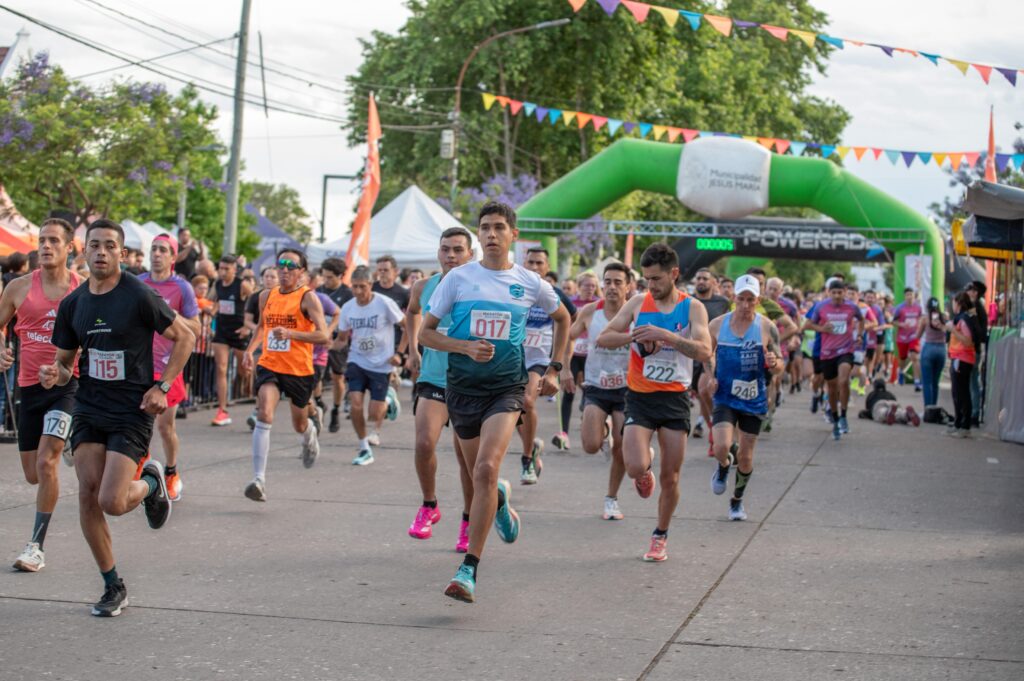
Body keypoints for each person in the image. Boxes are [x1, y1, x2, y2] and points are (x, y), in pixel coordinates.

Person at [418, 201, 570, 603]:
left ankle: (468, 569)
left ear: (513, 235)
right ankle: (499, 499)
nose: (490, 234)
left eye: (499, 227)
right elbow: (425, 334)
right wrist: (464, 347)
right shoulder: (458, 279)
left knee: (486, 468)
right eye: (484, 227)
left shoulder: (529, 282)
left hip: (507, 390)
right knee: (475, 477)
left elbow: (563, 318)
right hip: (462, 390)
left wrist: (554, 368)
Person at [47, 218, 195, 617]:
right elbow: (64, 364)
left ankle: (151, 482)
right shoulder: (74, 304)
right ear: (84, 251)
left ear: (121, 253)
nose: (100, 252)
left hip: (133, 409)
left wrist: (162, 387)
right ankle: (113, 585)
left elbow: (186, 337)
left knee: (112, 501)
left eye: (109, 246)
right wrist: (54, 374)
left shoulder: (138, 294)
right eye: (94, 245)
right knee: (87, 494)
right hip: (90, 407)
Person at [597, 243, 711, 562]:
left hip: (675, 398)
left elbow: (704, 351)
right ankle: (643, 465)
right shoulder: (637, 303)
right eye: (647, 279)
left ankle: (660, 535)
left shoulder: (692, 308)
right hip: (640, 396)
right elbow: (603, 337)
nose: (652, 286)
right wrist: (632, 336)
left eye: (657, 279)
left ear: (674, 274)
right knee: (634, 467)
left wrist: (668, 336)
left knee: (671, 477)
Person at [0, 218, 81, 572]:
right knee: (33, 473)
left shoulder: (82, 290)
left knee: (48, 461)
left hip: (68, 386)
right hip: (29, 387)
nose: (45, 247)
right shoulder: (18, 288)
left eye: (54, 241)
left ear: (68, 248)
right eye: (42, 241)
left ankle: (35, 546)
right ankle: (72, 437)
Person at [404, 227, 476, 549]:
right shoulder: (424, 286)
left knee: (467, 462)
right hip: (433, 379)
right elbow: (412, 312)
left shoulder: (481, 287)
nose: (450, 255)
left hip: (469, 382)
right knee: (423, 443)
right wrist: (411, 349)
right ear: (438, 253)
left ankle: (468, 520)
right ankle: (429, 505)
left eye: (457, 250)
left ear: (469, 255)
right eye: (445, 249)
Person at [241, 249, 329, 501]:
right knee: (264, 412)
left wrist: (292, 334)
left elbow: (323, 335)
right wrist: (250, 350)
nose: (285, 269)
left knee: (298, 423)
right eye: (281, 264)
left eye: (292, 265)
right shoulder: (266, 296)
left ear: (302, 271)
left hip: (299, 369)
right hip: (270, 364)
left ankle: (309, 432)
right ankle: (259, 479)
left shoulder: (308, 298)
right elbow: (262, 327)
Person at [706, 275, 782, 521]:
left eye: (751, 299)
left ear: (758, 299)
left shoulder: (767, 327)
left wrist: (774, 363)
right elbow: (708, 355)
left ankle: (736, 501)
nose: (746, 304)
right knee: (721, 447)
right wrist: (710, 375)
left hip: (754, 398)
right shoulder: (717, 325)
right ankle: (723, 466)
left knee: (747, 456)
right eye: (741, 299)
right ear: (734, 298)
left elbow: (780, 364)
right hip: (725, 395)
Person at [562, 262, 631, 520]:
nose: (611, 287)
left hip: (627, 388)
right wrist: (565, 368)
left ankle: (611, 498)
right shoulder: (591, 311)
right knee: (591, 445)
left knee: (622, 447)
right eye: (608, 281)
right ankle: (602, 430)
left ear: (628, 286)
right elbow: (568, 336)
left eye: (617, 282)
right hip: (596, 385)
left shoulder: (635, 312)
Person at [138, 235, 201, 502]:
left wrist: (168, 314)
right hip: (140, 364)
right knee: (138, 423)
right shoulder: (138, 283)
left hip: (169, 367)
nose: (157, 254)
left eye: (163, 250)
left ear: (173, 257)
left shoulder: (182, 288)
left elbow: (196, 328)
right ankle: (142, 465)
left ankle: (171, 472)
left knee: (165, 426)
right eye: (153, 249)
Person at [519, 247, 576, 483]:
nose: (534, 267)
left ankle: (526, 459)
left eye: (539, 263)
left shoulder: (554, 294)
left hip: (539, 359)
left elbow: (570, 324)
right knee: (514, 411)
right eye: (530, 262)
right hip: (512, 357)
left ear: (547, 267)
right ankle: (531, 444)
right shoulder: (515, 288)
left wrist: (561, 364)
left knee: (527, 401)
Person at [337, 266, 405, 465]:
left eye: (362, 287)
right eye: (354, 287)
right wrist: (326, 344)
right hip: (357, 360)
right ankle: (364, 447)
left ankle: (388, 400)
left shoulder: (385, 303)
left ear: (370, 285)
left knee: (374, 413)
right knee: (355, 404)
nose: (358, 292)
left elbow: (408, 325)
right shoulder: (348, 307)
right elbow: (342, 339)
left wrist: (400, 354)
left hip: (382, 364)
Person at [803, 279, 864, 440]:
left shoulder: (852, 307)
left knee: (844, 381)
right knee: (832, 387)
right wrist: (822, 328)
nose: (837, 296)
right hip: (827, 352)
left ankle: (843, 415)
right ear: (829, 292)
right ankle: (836, 418)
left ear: (845, 292)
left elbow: (861, 319)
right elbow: (808, 324)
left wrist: (859, 335)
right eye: (834, 292)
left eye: (840, 292)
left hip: (846, 350)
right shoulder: (821, 306)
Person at [553, 271, 601, 451]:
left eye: (593, 286)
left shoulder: (598, 304)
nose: (590, 289)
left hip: (592, 355)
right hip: (572, 354)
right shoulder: (571, 302)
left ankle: (596, 428)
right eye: (586, 285)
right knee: (569, 392)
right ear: (579, 286)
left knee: (591, 391)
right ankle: (563, 434)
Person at [210, 255, 253, 426]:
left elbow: (257, 304)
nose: (222, 272)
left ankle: (256, 397)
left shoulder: (242, 284)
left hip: (239, 332)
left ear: (235, 269)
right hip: (221, 331)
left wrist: (247, 327)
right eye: (220, 268)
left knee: (245, 371)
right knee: (221, 369)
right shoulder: (218, 284)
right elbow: (214, 301)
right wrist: (211, 312)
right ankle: (222, 410)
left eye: (226, 269)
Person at [691, 268, 730, 451]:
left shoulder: (723, 302)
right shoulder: (688, 301)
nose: (701, 281)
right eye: (698, 278)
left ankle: (718, 430)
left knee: (705, 389)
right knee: (699, 394)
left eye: (705, 278)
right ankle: (713, 426)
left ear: (714, 282)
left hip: (713, 353)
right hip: (691, 353)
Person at [317, 258, 353, 433]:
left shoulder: (348, 294)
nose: (326, 281)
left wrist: (338, 338)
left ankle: (336, 409)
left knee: (337, 376)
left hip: (339, 340)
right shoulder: (317, 292)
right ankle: (318, 402)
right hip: (319, 340)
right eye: (324, 277)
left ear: (340, 276)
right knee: (315, 375)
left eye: (330, 277)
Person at [946, 291, 980, 438]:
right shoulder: (962, 318)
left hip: (963, 359)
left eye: (953, 302)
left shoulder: (964, 319)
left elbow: (968, 341)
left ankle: (964, 426)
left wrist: (952, 329)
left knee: (962, 393)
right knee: (957, 393)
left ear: (958, 303)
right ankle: (958, 423)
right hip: (958, 358)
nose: (952, 305)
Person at [916, 297, 947, 415]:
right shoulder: (944, 317)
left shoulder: (925, 319)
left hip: (928, 349)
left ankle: (927, 410)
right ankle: (934, 409)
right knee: (935, 382)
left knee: (927, 382)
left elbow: (917, 336)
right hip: (941, 349)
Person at [965, 281, 988, 426]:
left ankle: (973, 414)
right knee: (971, 382)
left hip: (973, 350)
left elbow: (980, 332)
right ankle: (972, 413)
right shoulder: (973, 307)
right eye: (970, 290)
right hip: (970, 350)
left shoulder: (976, 308)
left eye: (974, 291)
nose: (972, 293)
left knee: (972, 382)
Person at [892, 287, 923, 391]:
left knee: (914, 357)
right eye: (907, 295)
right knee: (903, 358)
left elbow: (920, 319)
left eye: (911, 294)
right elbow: (893, 322)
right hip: (902, 337)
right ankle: (900, 372)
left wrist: (919, 326)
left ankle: (917, 382)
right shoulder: (900, 308)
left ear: (914, 295)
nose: (910, 297)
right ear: (905, 296)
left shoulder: (918, 307)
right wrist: (901, 324)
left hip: (914, 336)